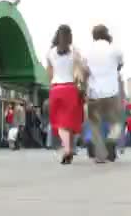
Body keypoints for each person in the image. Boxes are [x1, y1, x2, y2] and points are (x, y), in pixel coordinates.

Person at [84, 25, 124, 163]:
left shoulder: (87, 51)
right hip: (111, 91)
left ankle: (100, 156)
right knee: (115, 122)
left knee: (94, 124)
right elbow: (120, 65)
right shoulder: (115, 49)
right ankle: (111, 139)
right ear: (107, 34)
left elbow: (85, 69)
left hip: (93, 92)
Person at [47, 25, 85, 165]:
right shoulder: (75, 52)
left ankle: (67, 148)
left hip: (56, 89)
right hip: (71, 89)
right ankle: (69, 147)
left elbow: (50, 74)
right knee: (71, 122)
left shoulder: (50, 53)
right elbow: (80, 70)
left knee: (61, 123)